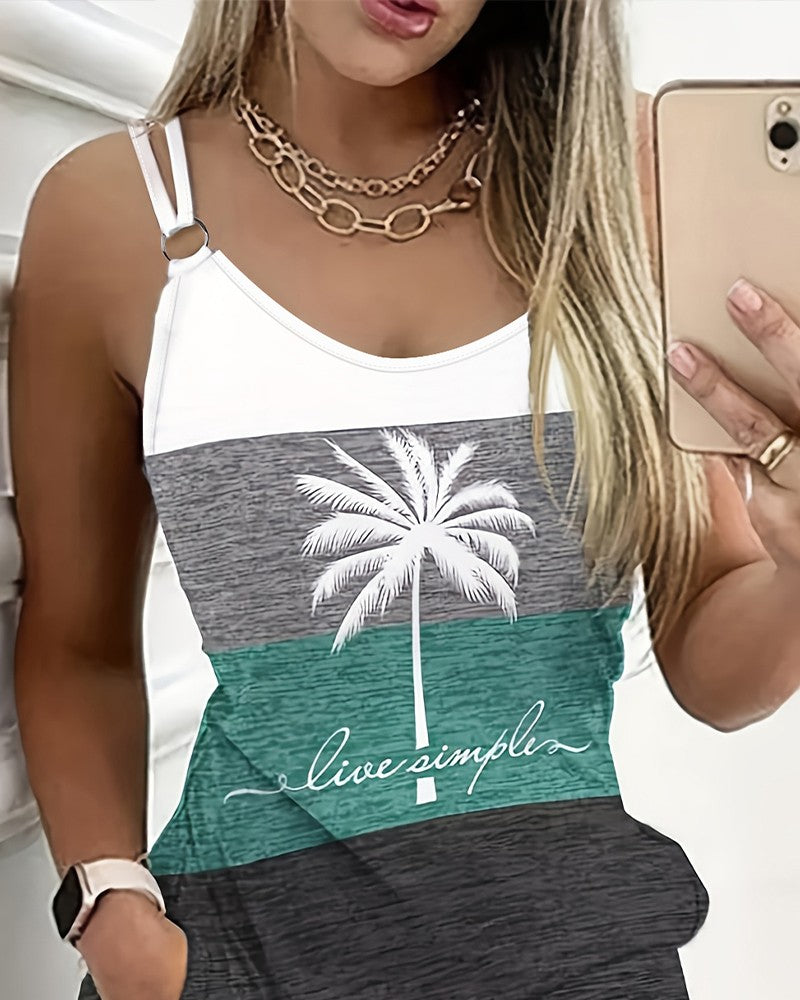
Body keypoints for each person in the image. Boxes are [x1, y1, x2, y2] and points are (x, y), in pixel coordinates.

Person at [8, 1, 800, 998]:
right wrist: (125, 936)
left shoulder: (622, 177)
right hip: (235, 964)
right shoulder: (117, 213)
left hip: (580, 962)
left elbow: (716, 665)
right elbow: (76, 646)